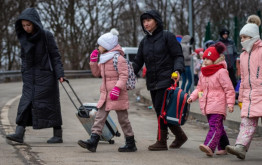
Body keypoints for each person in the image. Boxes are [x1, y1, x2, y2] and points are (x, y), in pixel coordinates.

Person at [6, 8, 65, 144]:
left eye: (28, 25)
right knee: (25, 104)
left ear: (35, 23)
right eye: (24, 25)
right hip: (29, 78)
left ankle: (58, 135)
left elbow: (55, 56)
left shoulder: (46, 36)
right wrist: (24, 72)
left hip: (46, 77)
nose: (26, 28)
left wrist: (60, 74)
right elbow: (24, 58)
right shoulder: (24, 38)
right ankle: (19, 133)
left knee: (51, 105)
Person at [132, 10, 186, 151]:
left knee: (161, 110)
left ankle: (161, 141)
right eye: (144, 22)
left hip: (168, 78)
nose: (146, 23)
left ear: (156, 20)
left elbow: (178, 56)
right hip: (152, 80)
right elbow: (138, 61)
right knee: (161, 110)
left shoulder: (167, 36)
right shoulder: (144, 42)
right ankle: (180, 136)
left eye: (148, 20)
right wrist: (128, 74)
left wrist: (177, 70)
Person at [77, 29, 137, 152]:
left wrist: (117, 88)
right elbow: (97, 74)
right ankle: (92, 142)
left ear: (107, 46)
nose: (98, 47)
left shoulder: (118, 59)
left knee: (123, 120)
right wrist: (93, 62)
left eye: (100, 45)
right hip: (105, 94)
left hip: (117, 94)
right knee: (99, 118)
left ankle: (131, 143)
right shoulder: (104, 58)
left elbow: (123, 76)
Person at [187, 42, 235, 156]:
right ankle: (224, 147)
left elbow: (229, 89)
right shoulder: (203, 73)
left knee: (214, 126)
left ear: (215, 59)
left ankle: (209, 146)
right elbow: (199, 88)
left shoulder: (221, 72)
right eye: (204, 59)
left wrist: (230, 103)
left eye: (208, 59)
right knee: (219, 126)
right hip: (207, 104)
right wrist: (192, 97)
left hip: (218, 104)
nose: (205, 61)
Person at [225, 15, 262, 160]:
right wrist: (240, 96)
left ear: (253, 36)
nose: (242, 40)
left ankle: (241, 147)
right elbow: (243, 78)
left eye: (245, 37)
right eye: (241, 37)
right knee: (246, 123)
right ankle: (240, 147)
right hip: (249, 95)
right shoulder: (244, 55)